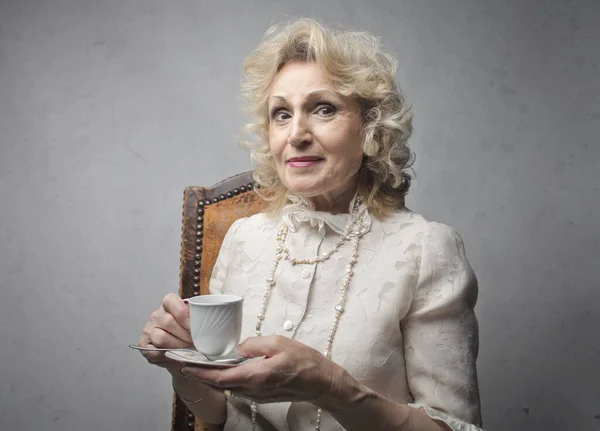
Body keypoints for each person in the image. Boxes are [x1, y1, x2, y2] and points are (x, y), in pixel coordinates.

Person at [138, 18, 484, 431]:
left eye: (324, 109)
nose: (297, 133)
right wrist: (181, 363)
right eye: (281, 114)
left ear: (370, 127)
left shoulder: (427, 249)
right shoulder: (243, 239)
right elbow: (222, 414)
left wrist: (332, 388)